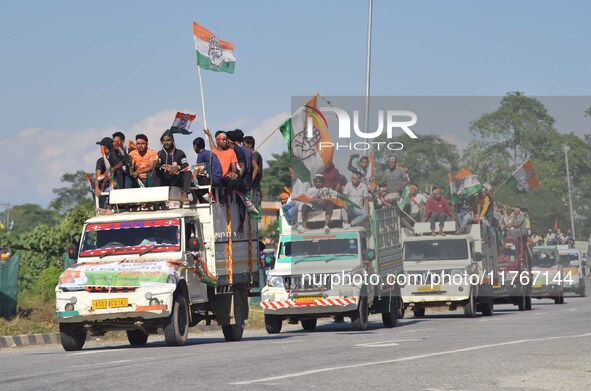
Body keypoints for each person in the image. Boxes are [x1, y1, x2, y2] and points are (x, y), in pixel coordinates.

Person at [153, 131, 192, 204]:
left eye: (168, 140)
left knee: (188, 172)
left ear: (172, 141)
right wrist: (156, 163)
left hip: (177, 179)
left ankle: (184, 195)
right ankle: (157, 195)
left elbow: (186, 164)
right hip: (165, 179)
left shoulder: (180, 153)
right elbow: (159, 161)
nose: (166, 142)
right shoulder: (160, 153)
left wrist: (178, 167)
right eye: (164, 141)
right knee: (156, 170)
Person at [203, 129, 239, 202]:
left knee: (234, 181)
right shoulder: (213, 152)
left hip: (226, 177)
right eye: (223, 140)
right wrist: (209, 135)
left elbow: (234, 167)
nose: (225, 142)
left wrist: (233, 172)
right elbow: (212, 147)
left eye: (226, 140)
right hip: (216, 177)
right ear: (217, 141)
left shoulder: (231, 152)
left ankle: (225, 196)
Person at [192, 137, 222, 202]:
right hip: (219, 179)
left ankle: (207, 199)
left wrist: (191, 178)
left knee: (193, 183)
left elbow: (196, 169)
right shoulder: (211, 153)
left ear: (195, 146)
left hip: (212, 179)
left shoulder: (201, 154)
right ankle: (210, 198)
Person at [243, 135, 263, 203]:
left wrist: (250, 182)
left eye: (244, 144)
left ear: (250, 145)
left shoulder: (255, 155)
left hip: (254, 187)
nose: (243, 147)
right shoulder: (251, 155)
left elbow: (256, 168)